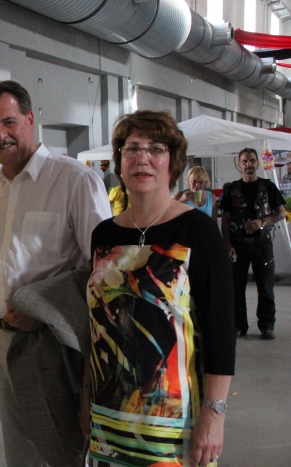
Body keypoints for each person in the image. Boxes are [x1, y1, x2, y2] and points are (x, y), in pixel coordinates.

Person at [0, 80, 111, 467]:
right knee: (20, 455)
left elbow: (104, 273)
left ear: (30, 120)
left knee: (59, 451)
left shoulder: (74, 181)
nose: (1, 135)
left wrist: (40, 308)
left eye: (9, 122)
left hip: (47, 343)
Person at [83, 110, 235, 466]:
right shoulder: (103, 235)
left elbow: (221, 333)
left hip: (174, 425)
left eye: (156, 148)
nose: (143, 159)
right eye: (132, 148)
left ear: (173, 161)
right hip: (108, 418)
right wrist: (85, 399)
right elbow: (95, 328)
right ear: (119, 160)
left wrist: (215, 415)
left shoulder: (197, 231)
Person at [220, 148, 286, 340]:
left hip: (262, 245)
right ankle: (239, 326)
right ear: (239, 165)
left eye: (251, 161)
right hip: (238, 246)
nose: (248, 164)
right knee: (236, 288)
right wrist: (227, 245)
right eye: (244, 161)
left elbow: (281, 213)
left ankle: (267, 326)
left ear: (257, 163)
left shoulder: (268, 187)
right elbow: (225, 220)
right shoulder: (231, 189)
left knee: (265, 287)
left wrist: (262, 221)